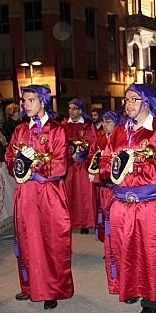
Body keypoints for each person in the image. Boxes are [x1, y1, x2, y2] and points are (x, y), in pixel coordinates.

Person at [99, 83, 156, 313]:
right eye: (126, 100)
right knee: (125, 249)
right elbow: (105, 165)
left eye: (134, 99)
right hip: (122, 203)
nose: (128, 104)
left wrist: (130, 171)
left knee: (151, 252)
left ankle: (151, 299)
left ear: (146, 102)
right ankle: (132, 287)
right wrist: (115, 168)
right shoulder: (117, 132)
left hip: (152, 204)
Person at [4, 85, 74, 310]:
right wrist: (18, 165)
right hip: (25, 192)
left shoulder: (56, 130)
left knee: (50, 239)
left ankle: (52, 288)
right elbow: (8, 157)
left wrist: (35, 166)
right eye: (24, 100)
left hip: (48, 192)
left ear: (43, 102)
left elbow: (60, 164)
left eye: (31, 100)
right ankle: (31, 285)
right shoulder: (20, 130)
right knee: (26, 239)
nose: (26, 104)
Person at [89, 109, 125, 292]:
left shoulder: (122, 139)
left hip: (116, 189)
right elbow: (92, 156)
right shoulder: (101, 138)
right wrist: (94, 165)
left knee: (116, 223)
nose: (105, 125)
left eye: (108, 121)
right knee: (105, 218)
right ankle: (109, 248)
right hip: (104, 188)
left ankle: (117, 249)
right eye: (103, 121)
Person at [63, 98, 97, 234]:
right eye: (70, 108)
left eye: (74, 108)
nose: (71, 111)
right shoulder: (64, 126)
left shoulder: (88, 126)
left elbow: (93, 143)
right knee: (69, 193)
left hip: (83, 164)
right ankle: (70, 221)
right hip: (70, 164)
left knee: (84, 194)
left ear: (80, 111)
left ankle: (85, 223)